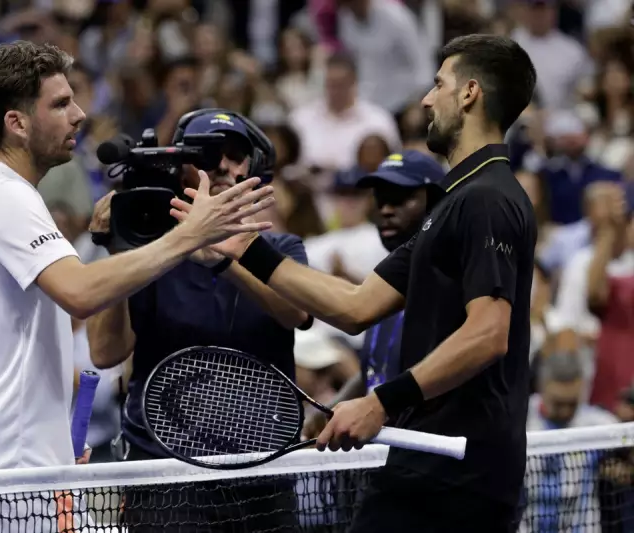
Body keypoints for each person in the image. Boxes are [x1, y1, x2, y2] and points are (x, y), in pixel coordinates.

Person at [172, 34, 538, 532]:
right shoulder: (456, 203)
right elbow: (354, 305)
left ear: (470, 93)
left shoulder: (488, 199)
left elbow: (488, 332)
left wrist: (382, 402)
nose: (427, 99)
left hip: (459, 474)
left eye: (438, 85)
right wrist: (241, 249)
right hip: (428, 468)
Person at [0, 38, 273, 485]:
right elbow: (81, 292)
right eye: (61, 103)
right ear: (17, 123)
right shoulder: (2, 195)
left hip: (5, 459)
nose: (80, 114)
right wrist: (190, 235)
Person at [86, 109, 310, 532]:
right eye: (206, 155)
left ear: (252, 166)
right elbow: (105, 352)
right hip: (163, 467)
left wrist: (218, 259)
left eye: (235, 154)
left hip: (262, 462)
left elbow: (296, 312)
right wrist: (114, 250)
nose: (223, 165)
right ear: (181, 168)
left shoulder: (280, 247)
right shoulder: (150, 256)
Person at [303, 150, 445, 439]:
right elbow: (375, 369)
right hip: (379, 458)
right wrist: (335, 406)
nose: (386, 210)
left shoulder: (445, 281)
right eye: (381, 198)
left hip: (426, 454)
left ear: (437, 204)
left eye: (401, 198)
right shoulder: (383, 282)